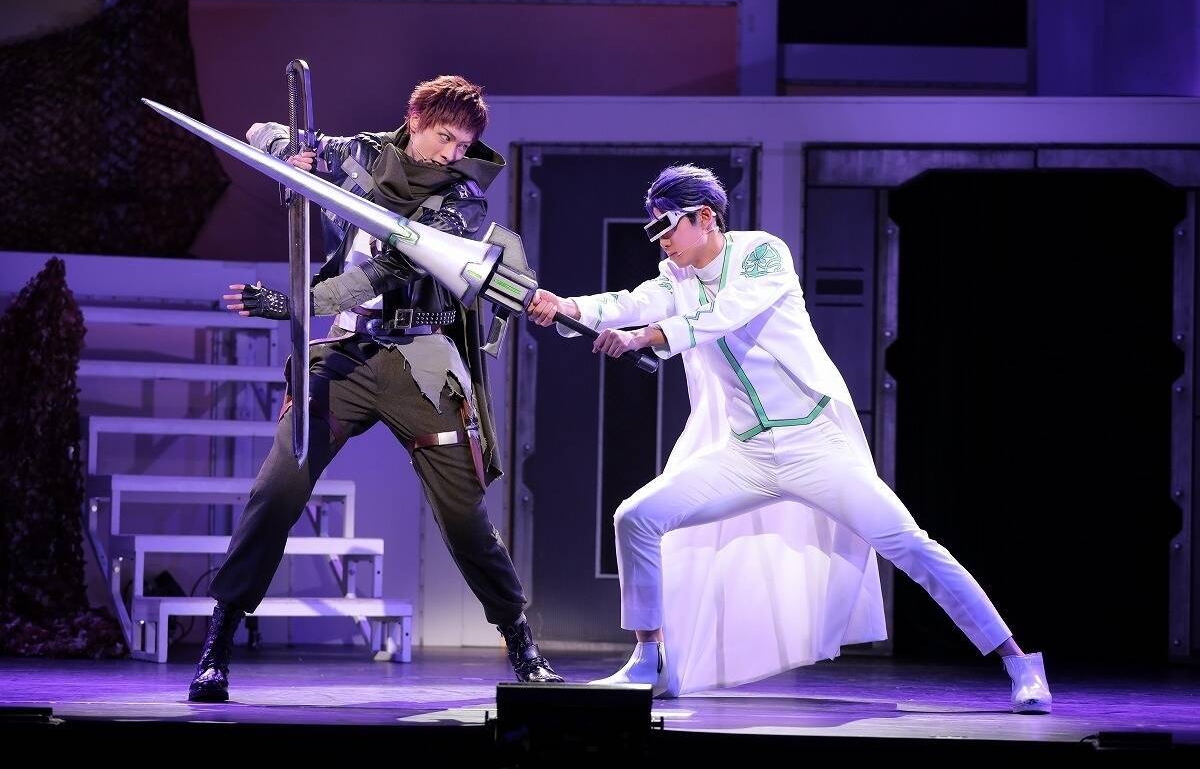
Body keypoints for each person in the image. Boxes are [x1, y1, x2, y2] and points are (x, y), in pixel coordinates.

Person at [526, 164, 1050, 713]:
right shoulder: (675, 278)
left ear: (705, 218)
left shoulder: (762, 254)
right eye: (652, 229)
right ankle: (649, 658)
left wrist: (646, 338)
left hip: (814, 445)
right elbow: (628, 302)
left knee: (910, 545)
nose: (661, 241)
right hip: (746, 454)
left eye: (667, 226)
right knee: (636, 517)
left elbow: (725, 315)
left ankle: (1020, 663)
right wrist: (567, 307)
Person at [188, 75, 563, 703]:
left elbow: (390, 269)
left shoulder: (463, 199)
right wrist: (293, 160)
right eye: (444, 137)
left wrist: (296, 303)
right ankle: (217, 647)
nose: (451, 153)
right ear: (414, 120)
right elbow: (259, 133)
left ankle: (521, 643)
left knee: (463, 515)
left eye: (462, 144)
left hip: (422, 362)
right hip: (348, 352)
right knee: (277, 487)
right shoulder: (360, 154)